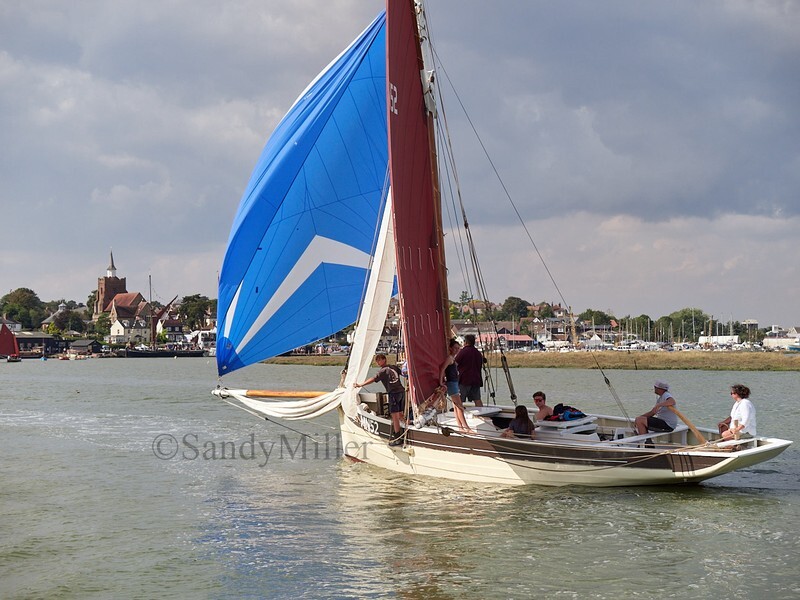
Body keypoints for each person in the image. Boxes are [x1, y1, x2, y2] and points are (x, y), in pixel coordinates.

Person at [355, 354, 406, 447]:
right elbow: (404, 373)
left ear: (384, 360)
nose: (377, 362)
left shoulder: (383, 371)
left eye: (379, 360)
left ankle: (398, 437)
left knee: (394, 415)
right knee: (400, 413)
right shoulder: (393, 367)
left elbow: (373, 379)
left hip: (394, 394)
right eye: (377, 360)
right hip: (401, 392)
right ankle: (407, 427)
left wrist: (361, 384)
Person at [439, 338, 472, 433]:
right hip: (452, 384)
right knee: (460, 406)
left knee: (456, 406)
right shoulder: (449, 358)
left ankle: (460, 427)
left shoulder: (452, 358)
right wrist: (441, 382)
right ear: (450, 348)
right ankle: (466, 428)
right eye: (455, 348)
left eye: (458, 348)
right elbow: (442, 369)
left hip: (454, 383)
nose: (457, 350)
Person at [455, 334, 484, 407]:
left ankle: (459, 415)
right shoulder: (478, 353)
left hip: (464, 380)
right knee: (477, 399)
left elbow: (455, 363)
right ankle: (482, 413)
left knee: (459, 400)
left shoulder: (463, 352)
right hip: (476, 380)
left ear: (466, 342)